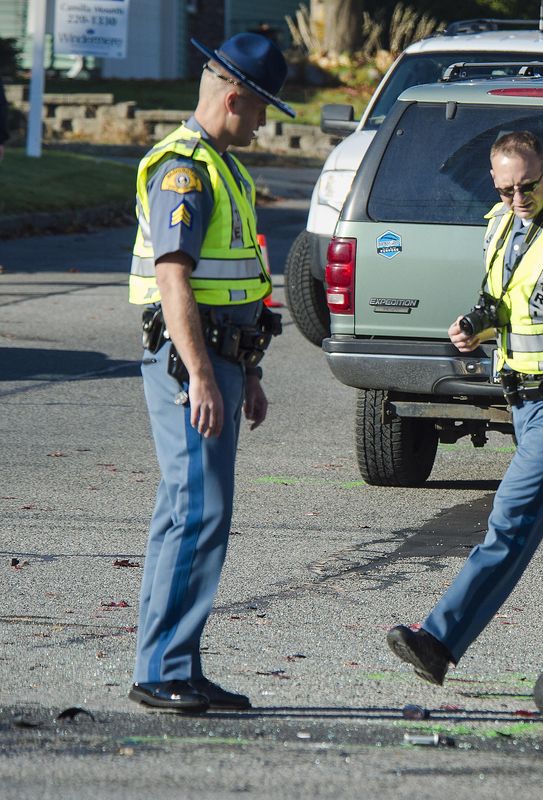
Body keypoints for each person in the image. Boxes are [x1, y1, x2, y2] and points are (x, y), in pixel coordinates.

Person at [387, 131, 543, 685]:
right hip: (524, 399)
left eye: (528, 185)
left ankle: (440, 639)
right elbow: (504, 302)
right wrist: (474, 325)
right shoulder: (502, 222)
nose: (518, 199)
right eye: (506, 189)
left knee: (512, 520)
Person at [127, 33, 293, 712]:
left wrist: (245, 371)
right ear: (235, 97)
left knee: (185, 514)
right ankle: (163, 669)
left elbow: (237, 285)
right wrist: (200, 374)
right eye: (262, 110)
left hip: (219, 361)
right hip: (189, 364)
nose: (263, 122)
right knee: (199, 514)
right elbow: (174, 278)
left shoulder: (223, 168)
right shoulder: (185, 171)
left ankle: (175, 664)